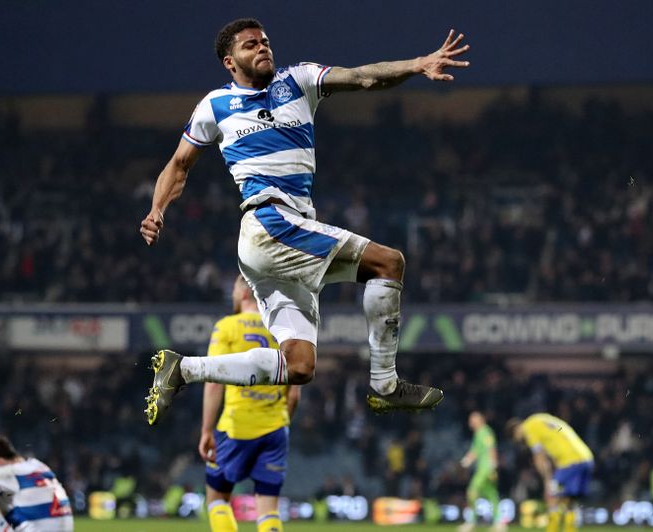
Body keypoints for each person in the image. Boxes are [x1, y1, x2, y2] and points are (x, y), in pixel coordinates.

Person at [140, 17, 470, 425]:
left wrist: (417, 63)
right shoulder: (215, 106)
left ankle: (183, 369)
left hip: (277, 237)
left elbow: (364, 77)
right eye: (249, 45)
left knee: (299, 366)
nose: (262, 48)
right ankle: (384, 385)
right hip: (270, 224)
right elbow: (178, 165)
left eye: (265, 41)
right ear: (230, 61)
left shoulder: (299, 80)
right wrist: (157, 209)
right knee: (388, 263)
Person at [200, 275, 300, 532]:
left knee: (217, 499)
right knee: (268, 511)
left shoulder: (227, 327)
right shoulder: (284, 330)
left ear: (245, 292)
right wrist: (281, 420)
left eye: (234, 288)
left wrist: (206, 431)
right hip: (276, 428)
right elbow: (294, 394)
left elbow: (213, 382)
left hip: (236, 426)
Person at [506, 414, 594, 532]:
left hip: (570, 462)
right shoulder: (540, 419)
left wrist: (547, 480)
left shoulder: (528, 428)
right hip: (586, 458)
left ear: (516, 430)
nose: (522, 441)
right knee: (568, 502)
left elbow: (539, 457)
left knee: (552, 498)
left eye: (517, 438)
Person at [459, 411, 507, 532]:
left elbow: (491, 449)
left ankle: (471, 521)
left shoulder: (485, 431)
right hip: (483, 467)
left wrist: (493, 466)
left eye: (472, 419)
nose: (470, 422)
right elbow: (475, 451)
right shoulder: (478, 433)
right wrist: (466, 461)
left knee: (472, 490)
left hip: (486, 468)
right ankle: (499, 523)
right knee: (491, 494)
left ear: (479, 420)